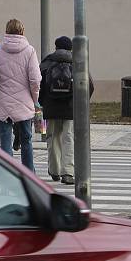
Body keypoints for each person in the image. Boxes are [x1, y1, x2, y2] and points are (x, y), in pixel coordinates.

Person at [39, 36, 94, 185]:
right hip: (71, 107)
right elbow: (89, 85)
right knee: (68, 138)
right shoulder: (78, 62)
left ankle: (54, 170)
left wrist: (42, 102)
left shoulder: (46, 63)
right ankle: (68, 172)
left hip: (51, 107)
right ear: (71, 48)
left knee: (52, 137)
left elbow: (39, 84)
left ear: (56, 47)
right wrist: (81, 103)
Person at [0, 19, 41, 171]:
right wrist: (35, 99)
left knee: (5, 141)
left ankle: (8, 175)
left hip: (2, 102)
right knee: (26, 139)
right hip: (24, 103)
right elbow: (35, 79)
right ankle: (29, 174)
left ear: (6, 31)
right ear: (22, 31)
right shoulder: (30, 51)